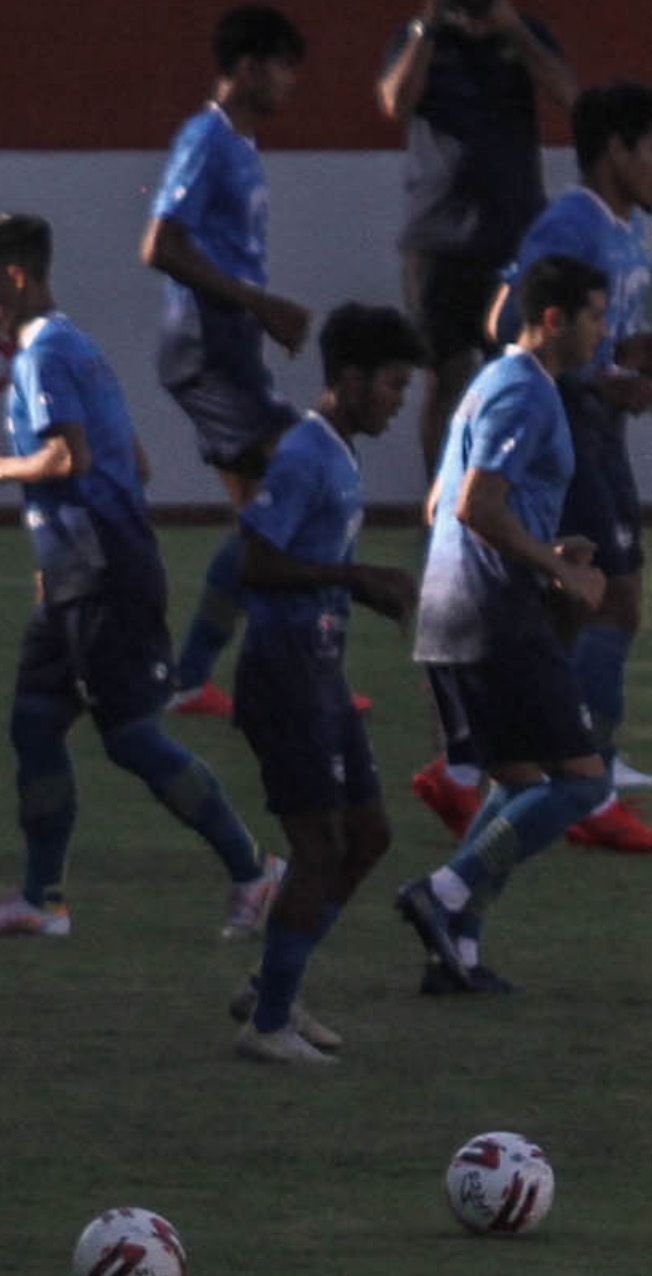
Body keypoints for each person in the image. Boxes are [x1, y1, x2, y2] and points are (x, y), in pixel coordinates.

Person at [0, 212, 280, 941]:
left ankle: (256, 871)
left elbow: (73, 459)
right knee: (34, 725)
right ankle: (44, 900)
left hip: (104, 575)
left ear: (15, 275)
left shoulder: (45, 354)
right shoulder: (75, 348)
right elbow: (135, 460)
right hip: (80, 572)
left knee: (131, 736)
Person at [410, 78, 652, 847]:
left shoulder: (620, 228)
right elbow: (511, 319)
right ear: (615, 151)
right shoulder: (571, 222)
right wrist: (600, 377)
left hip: (598, 424)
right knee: (609, 597)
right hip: (565, 424)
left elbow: (586, 336)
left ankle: (475, 764)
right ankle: (587, 780)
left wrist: (629, 354)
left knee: (576, 606)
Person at [389, 253, 614, 993]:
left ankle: (456, 954)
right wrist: (556, 569)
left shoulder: (487, 384)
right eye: (595, 316)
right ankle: (446, 893)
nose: (602, 333)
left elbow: (436, 506)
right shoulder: (526, 391)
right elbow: (474, 506)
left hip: (447, 608)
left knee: (516, 782)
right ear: (554, 320)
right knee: (581, 783)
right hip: (493, 611)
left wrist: (546, 547)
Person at [224, 303, 431, 1063]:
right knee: (318, 847)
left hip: (319, 674)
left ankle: (273, 984)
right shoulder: (308, 453)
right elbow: (254, 559)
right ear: (347, 379)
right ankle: (268, 1023)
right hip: (284, 677)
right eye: (391, 384)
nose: (397, 399)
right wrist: (355, 577)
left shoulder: (339, 451)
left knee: (369, 836)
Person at [146, 6, 315, 718]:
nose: (289, 85)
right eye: (282, 68)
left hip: (228, 346)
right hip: (207, 346)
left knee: (266, 525)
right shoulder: (207, 138)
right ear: (248, 67)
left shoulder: (242, 146)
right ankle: (198, 674)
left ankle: (205, 678)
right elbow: (161, 244)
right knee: (298, 483)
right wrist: (259, 303)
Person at [376, 0, 576, 474]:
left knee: (522, 371)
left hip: (515, 236)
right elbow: (394, 102)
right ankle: (438, 502)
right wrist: (428, 26)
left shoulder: (524, 33)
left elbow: (570, 98)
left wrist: (515, 33)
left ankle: (507, 496)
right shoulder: (420, 36)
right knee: (443, 375)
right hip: (438, 240)